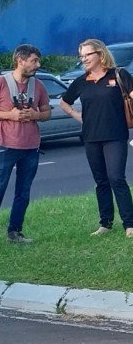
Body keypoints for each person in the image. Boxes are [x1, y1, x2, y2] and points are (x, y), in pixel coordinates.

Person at [0, 44, 51, 250]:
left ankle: (15, 231)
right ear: (20, 60)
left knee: (23, 192)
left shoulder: (38, 86)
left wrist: (35, 115)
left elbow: (47, 112)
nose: (38, 64)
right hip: (6, 146)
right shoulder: (0, 83)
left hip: (31, 147)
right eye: (34, 60)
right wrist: (10, 115)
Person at [60, 38, 133, 238]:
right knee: (101, 181)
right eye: (81, 56)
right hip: (91, 137)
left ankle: (129, 224)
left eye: (87, 55)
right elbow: (64, 102)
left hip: (115, 135)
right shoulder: (81, 81)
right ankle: (106, 223)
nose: (83, 59)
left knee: (116, 178)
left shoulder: (118, 75)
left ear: (100, 54)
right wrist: (78, 116)